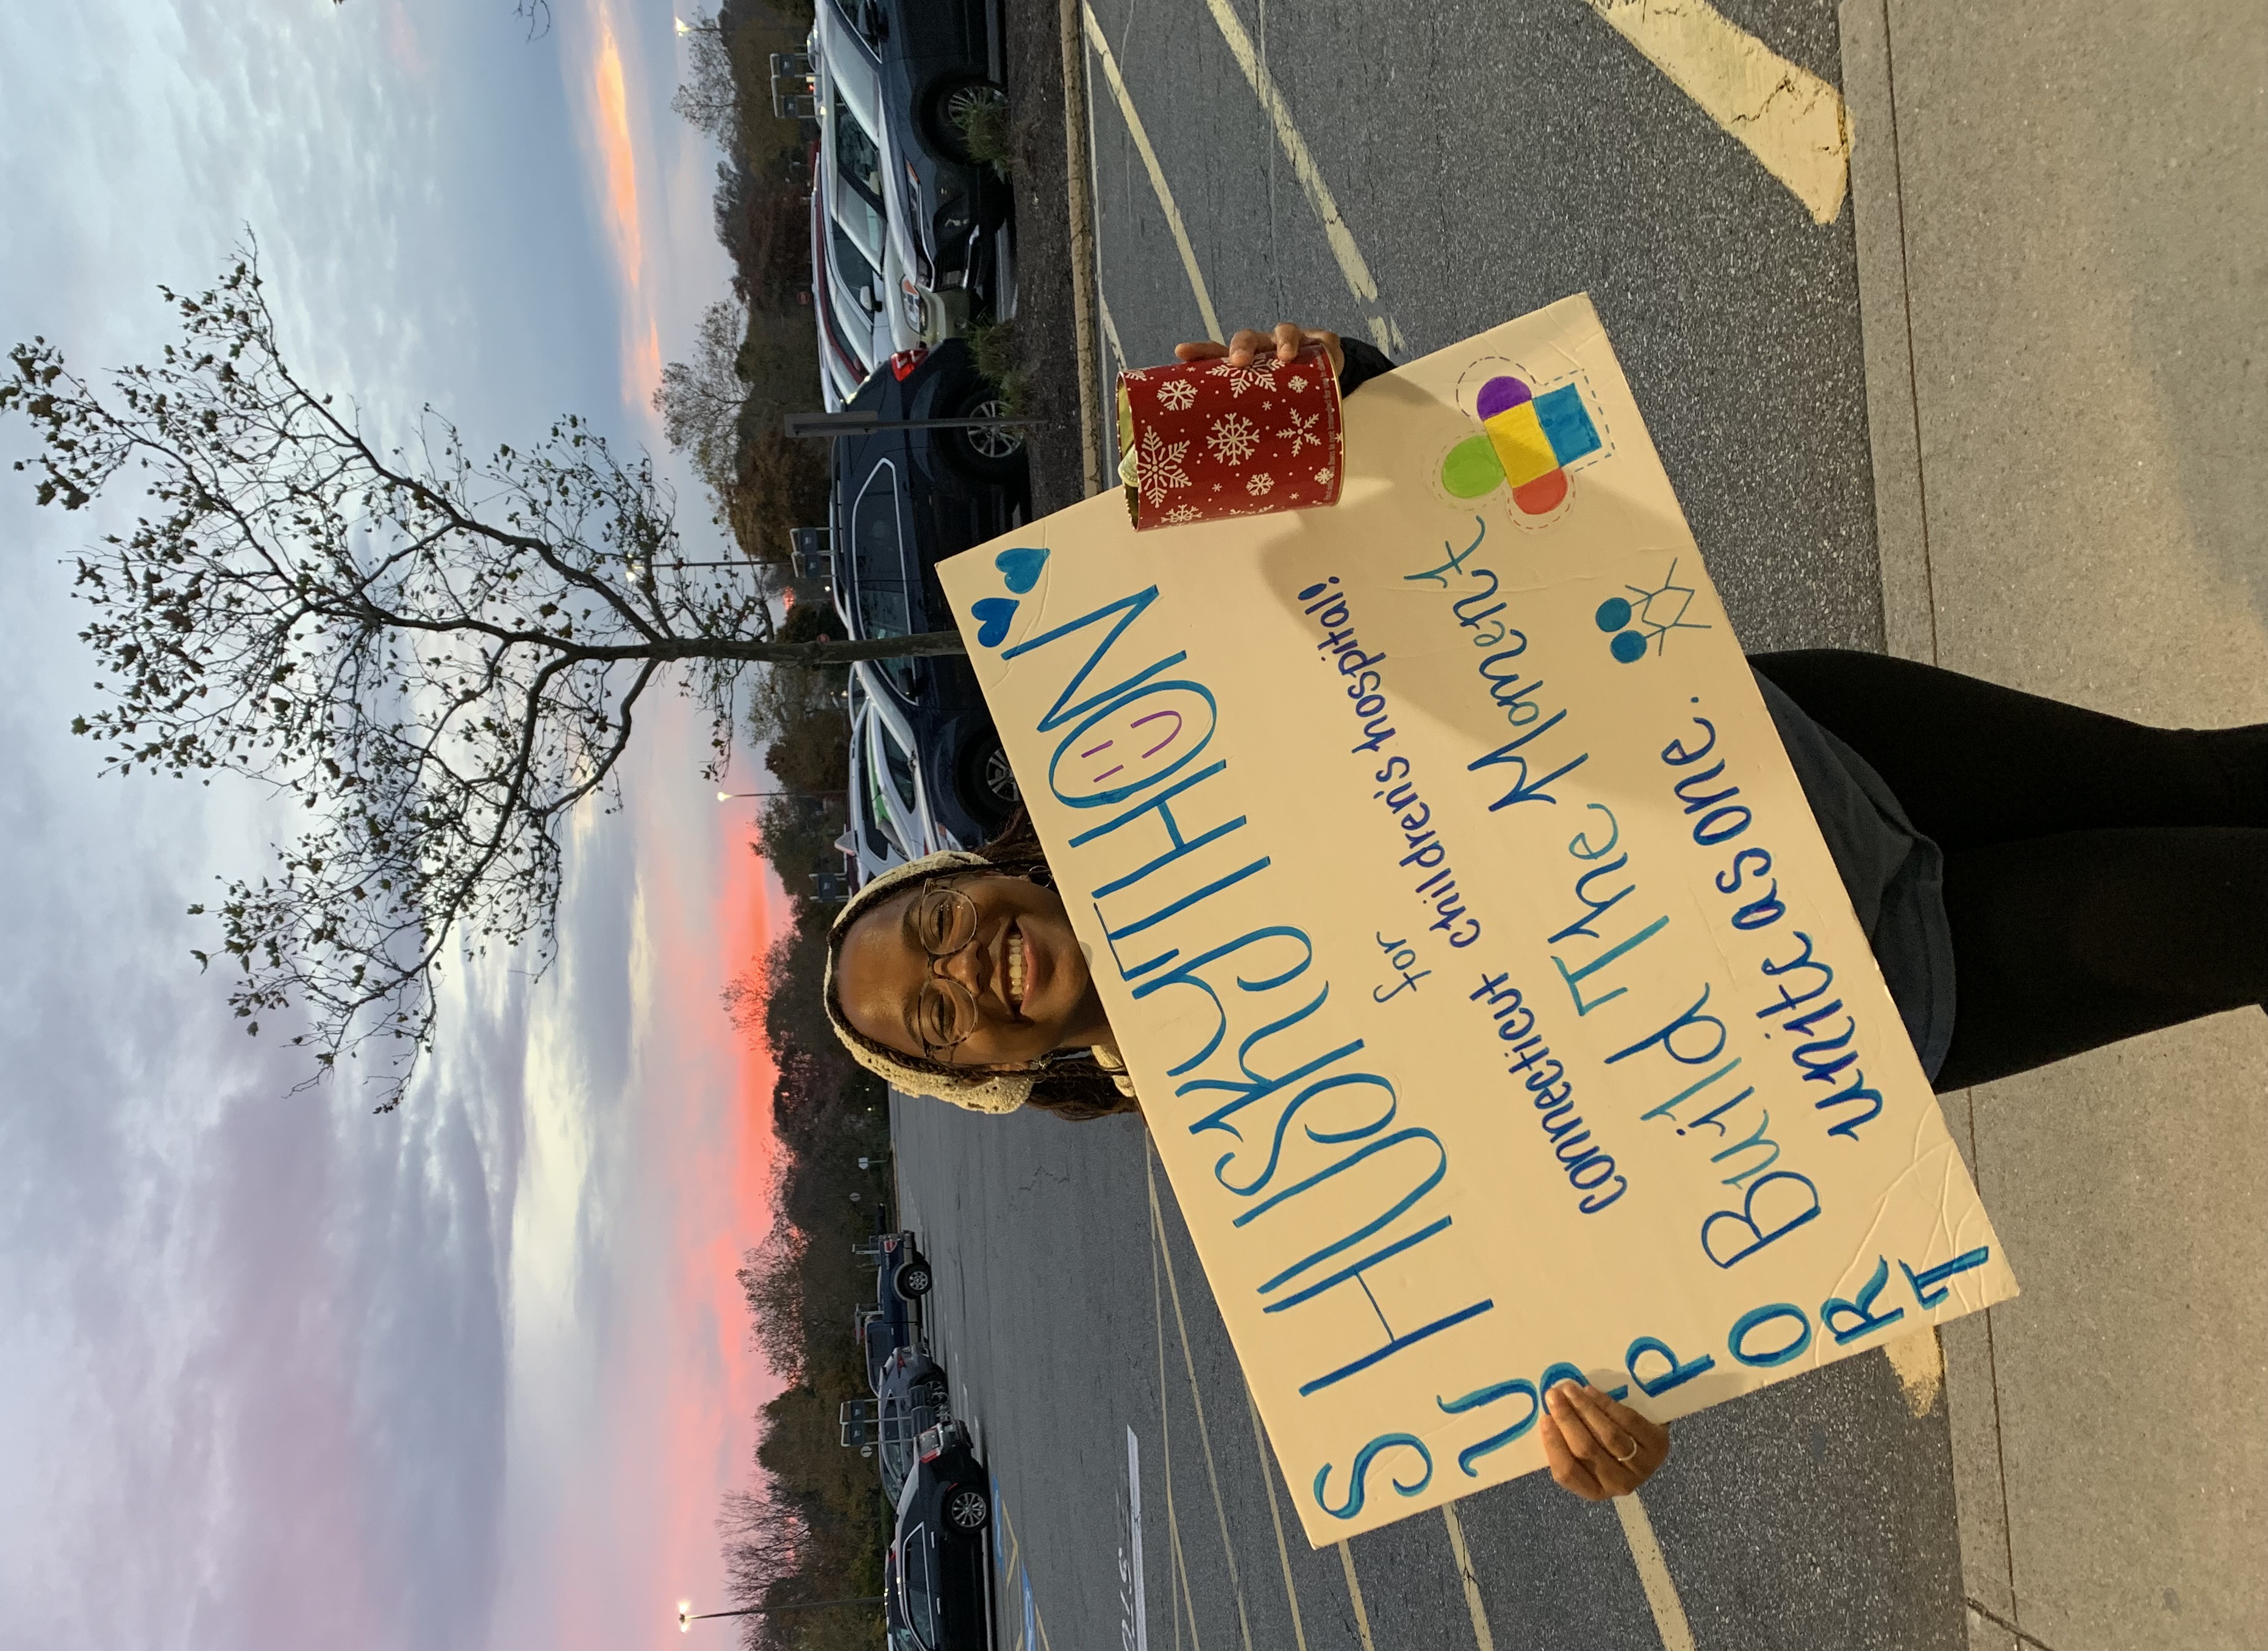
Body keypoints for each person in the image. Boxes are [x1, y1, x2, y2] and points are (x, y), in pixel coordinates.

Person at [825, 323, 2268, 1503]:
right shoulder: (1266, 1193)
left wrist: (1297, 385)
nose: (969, 966)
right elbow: (1559, 1296)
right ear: (991, 1075)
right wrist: (1604, 1423)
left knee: (2210, 779)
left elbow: (1414, 471)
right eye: (939, 1016)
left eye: (935, 924)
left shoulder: (1164, 718)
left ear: (966, 874)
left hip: (1791, 749)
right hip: (1876, 993)